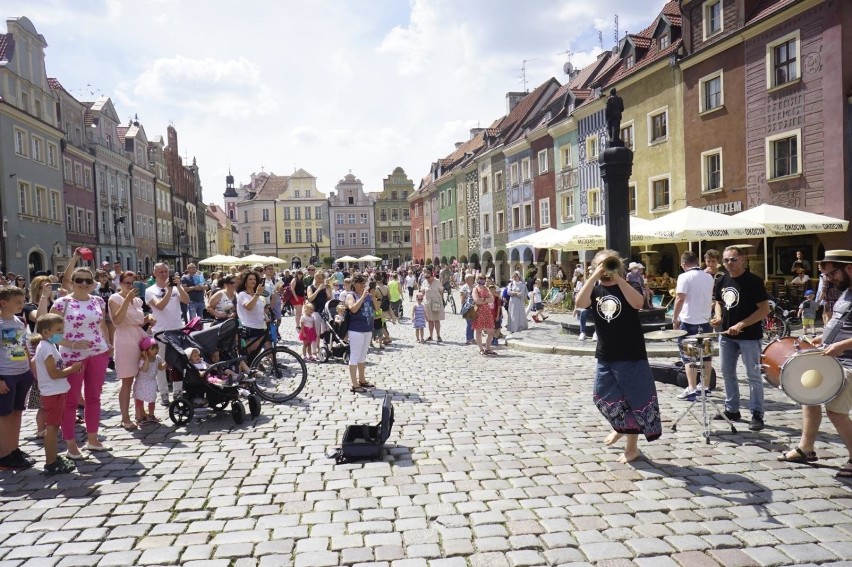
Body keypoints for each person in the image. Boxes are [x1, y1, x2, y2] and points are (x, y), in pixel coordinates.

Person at [575, 249, 661, 464]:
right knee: (600, 394)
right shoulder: (595, 289)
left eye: (609, 264)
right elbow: (580, 302)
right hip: (607, 352)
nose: (606, 269)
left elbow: (638, 303)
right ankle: (620, 427)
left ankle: (632, 448)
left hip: (631, 352)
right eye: (601, 265)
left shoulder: (628, 286)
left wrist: (618, 279)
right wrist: (594, 276)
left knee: (635, 401)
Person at [779, 250, 852, 478]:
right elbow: (842, 325)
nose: (828, 280)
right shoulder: (846, 291)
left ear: (849, 268)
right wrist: (823, 338)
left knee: (836, 412)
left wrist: (841, 346)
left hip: (848, 362)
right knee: (807, 395)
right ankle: (805, 448)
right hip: (831, 358)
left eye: (831, 274)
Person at [52, 266, 112, 459]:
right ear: (72, 282)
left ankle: (93, 439)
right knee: (71, 401)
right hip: (72, 356)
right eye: (79, 280)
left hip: (98, 353)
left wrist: (108, 343)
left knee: (94, 397)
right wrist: (72, 343)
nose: (84, 284)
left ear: (93, 282)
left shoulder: (98, 300)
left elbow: (102, 324)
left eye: (88, 280)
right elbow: (48, 334)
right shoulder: (62, 303)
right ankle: (71, 444)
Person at [711, 246, 771, 431]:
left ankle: (757, 414)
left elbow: (764, 310)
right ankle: (732, 409)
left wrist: (742, 325)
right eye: (726, 260)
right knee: (727, 372)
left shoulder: (753, 281)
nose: (729, 263)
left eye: (733, 259)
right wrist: (719, 317)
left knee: (753, 375)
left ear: (742, 260)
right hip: (727, 335)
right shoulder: (721, 280)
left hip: (749, 336)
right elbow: (718, 303)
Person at [31, 314, 83, 475]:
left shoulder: (48, 346)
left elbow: (36, 363)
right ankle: (50, 462)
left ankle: (53, 458)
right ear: (46, 332)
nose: (62, 333)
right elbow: (54, 373)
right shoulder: (46, 348)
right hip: (52, 393)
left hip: (56, 391)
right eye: (58, 330)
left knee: (54, 426)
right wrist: (72, 369)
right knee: (52, 428)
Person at [110, 271, 152, 431]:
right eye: (127, 283)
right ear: (120, 283)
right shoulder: (115, 298)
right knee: (127, 380)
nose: (130, 286)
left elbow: (138, 321)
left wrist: (148, 320)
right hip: (124, 339)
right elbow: (117, 320)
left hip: (138, 337)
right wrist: (126, 301)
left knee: (141, 377)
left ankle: (139, 411)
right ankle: (125, 417)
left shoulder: (137, 300)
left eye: (132, 283)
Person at [671, 251, 715, 400]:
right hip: (705, 320)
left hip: (689, 321)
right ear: (697, 262)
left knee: (689, 357)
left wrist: (674, 318)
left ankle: (691, 388)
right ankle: (705, 387)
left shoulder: (684, 276)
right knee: (706, 356)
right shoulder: (709, 277)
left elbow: (680, 298)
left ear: (683, 264)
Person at [0, 286, 35, 470]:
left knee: (17, 412)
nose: (22, 305)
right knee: (4, 416)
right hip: (6, 375)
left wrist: (31, 370)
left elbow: (21, 348)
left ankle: (14, 449)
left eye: (23, 301)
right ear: (4, 303)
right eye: (18, 302)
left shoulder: (20, 321)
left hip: (21, 373)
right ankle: (3, 455)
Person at [146, 263, 189, 405]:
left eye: (166, 271)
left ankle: (178, 391)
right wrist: (169, 291)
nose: (164, 274)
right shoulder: (150, 290)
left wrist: (179, 286)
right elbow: (160, 306)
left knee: (177, 363)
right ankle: (164, 393)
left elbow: (186, 300)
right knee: (161, 364)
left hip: (176, 329)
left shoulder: (175, 288)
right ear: (155, 274)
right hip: (160, 331)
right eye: (160, 272)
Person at [346, 274, 376, 393]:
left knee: (362, 356)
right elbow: (353, 309)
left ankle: (362, 379)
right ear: (354, 284)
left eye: (364, 283)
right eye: (360, 283)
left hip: (367, 329)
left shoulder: (367, 295)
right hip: (356, 329)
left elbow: (377, 309)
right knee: (355, 356)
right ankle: (354, 383)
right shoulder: (351, 295)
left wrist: (373, 297)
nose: (362, 286)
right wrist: (362, 297)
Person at [236, 271, 268, 363]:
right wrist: (257, 294)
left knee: (257, 352)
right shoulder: (243, 294)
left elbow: (260, 309)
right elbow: (249, 307)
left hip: (260, 326)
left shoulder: (255, 295)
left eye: (254, 279)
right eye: (250, 279)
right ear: (245, 282)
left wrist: (266, 316)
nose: (253, 281)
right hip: (249, 327)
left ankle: (253, 368)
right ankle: (247, 371)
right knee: (250, 353)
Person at [135, 337, 164, 425]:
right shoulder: (143, 360)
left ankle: (151, 415)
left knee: (152, 399)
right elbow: (145, 369)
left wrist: (167, 364)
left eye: (156, 348)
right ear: (145, 350)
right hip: (142, 382)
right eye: (153, 348)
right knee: (139, 399)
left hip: (152, 382)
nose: (155, 350)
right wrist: (146, 358)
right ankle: (139, 417)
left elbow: (160, 368)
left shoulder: (157, 358)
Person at [472, 275, 497, 355]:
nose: (482, 280)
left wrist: (483, 299)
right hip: (479, 312)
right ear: (477, 279)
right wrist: (486, 300)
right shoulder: (475, 289)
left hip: (487, 312)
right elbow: (476, 301)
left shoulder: (486, 289)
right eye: (480, 278)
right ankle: (481, 349)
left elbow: (492, 299)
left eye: (483, 279)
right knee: (479, 330)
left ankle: (488, 348)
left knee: (491, 331)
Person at [420, 266, 445, 342]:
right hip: (427, 304)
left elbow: (441, 292)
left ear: (432, 275)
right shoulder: (424, 282)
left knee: (436, 320)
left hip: (436, 303)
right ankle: (431, 336)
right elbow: (422, 292)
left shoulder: (437, 281)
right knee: (430, 320)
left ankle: (438, 336)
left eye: (428, 277)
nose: (427, 279)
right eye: (426, 277)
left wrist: (442, 301)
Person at [459, 274, 475, 345]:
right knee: (469, 323)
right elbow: (462, 298)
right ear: (466, 280)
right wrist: (463, 308)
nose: (472, 280)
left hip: (475, 307)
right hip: (467, 307)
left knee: (473, 323)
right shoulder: (464, 288)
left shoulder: (475, 286)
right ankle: (468, 338)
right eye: (470, 279)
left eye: (472, 279)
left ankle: (472, 338)